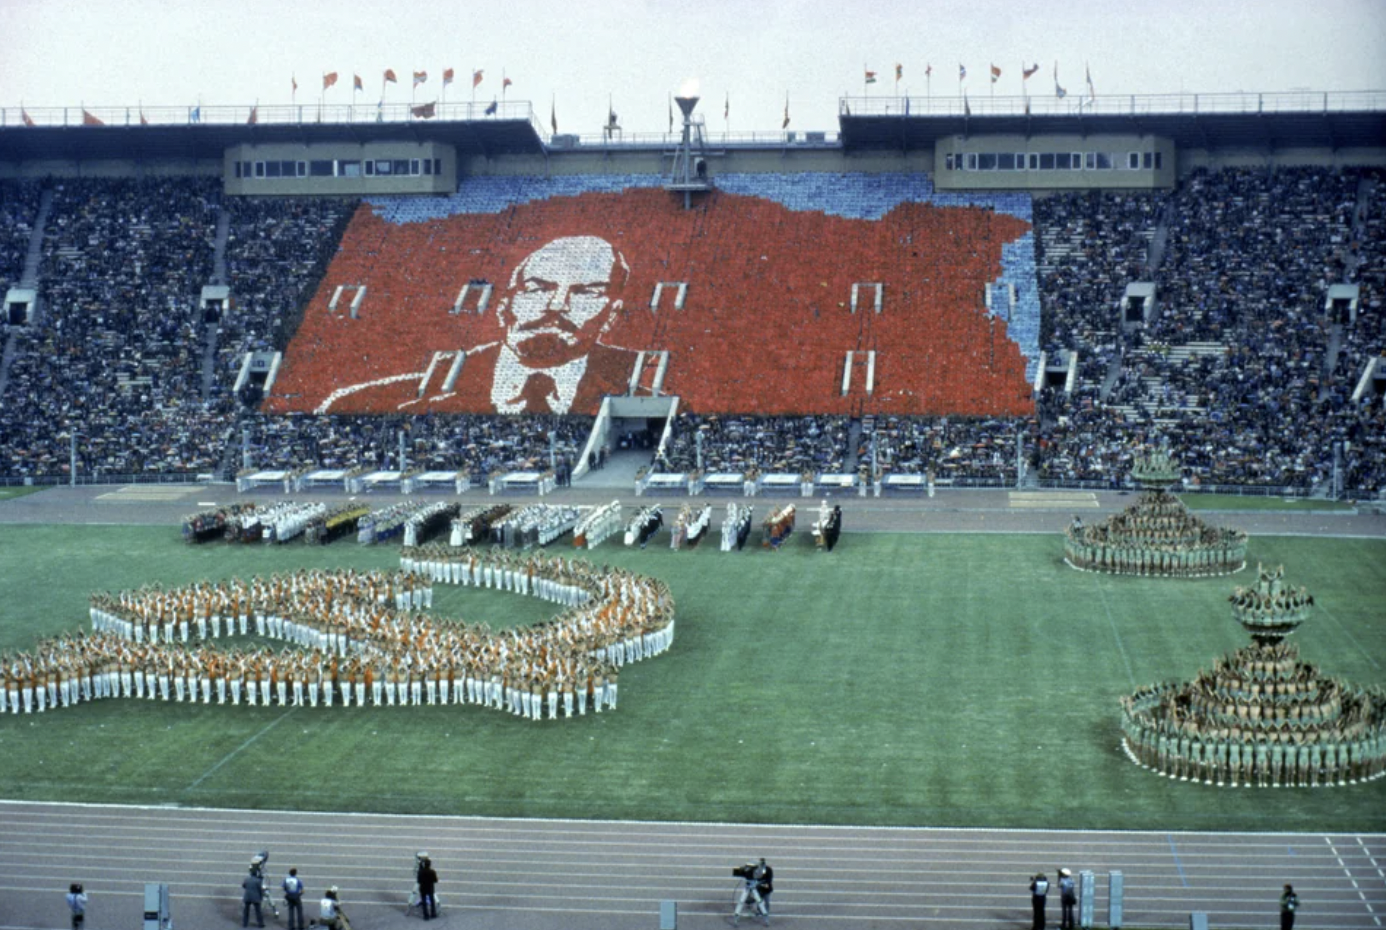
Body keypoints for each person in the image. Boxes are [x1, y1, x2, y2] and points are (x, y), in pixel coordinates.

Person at [319, 235, 639, 415]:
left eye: (587, 293)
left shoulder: (644, 395)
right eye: (538, 288)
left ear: (611, 314)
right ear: (504, 305)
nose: (556, 306)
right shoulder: (358, 402)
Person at [417, 855, 439, 920]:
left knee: (424, 902)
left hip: (423, 888)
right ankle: (433, 914)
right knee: (432, 901)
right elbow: (435, 880)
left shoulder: (421, 872)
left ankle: (426, 915)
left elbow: (418, 881)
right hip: (430, 888)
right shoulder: (432, 872)